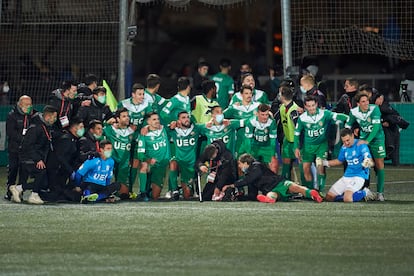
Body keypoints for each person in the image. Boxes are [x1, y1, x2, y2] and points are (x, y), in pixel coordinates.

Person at [294, 96, 348, 193]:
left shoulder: (324, 114)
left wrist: (349, 118)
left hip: (321, 146)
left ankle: (321, 191)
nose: (311, 108)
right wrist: (296, 148)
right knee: (305, 169)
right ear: (305, 107)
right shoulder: (302, 118)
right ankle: (310, 192)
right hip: (308, 147)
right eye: (309, 106)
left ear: (317, 104)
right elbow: (297, 134)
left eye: (313, 105)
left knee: (320, 165)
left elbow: (337, 116)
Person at [221, 153, 322, 203]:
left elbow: (249, 180)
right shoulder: (250, 174)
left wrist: (232, 185)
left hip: (278, 183)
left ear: (246, 163)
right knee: (279, 192)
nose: (239, 166)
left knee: (294, 187)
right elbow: (252, 195)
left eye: (240, 164)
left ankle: (312, 194)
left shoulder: (256, 166)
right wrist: (239, 197)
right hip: (274, 187)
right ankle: (269, 199)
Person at [9, 105, 58, 204]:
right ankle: (31, 193)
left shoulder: (44, 126)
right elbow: (28, 145)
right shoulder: (36, 127)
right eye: (54, 117)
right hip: (28, 157)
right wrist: (37, 159)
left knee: (43, 179)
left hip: (33, 156)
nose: (55, 119)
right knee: (42, 172)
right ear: (48, 116)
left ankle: (20, 190)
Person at [345, 92, 386, 201]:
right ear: (358, 103)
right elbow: (347, 126)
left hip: (377, 139)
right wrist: (348, 138)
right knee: (363, 164)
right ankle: (364, 190)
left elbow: (376, 127)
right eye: (363, 101)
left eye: (367, 101)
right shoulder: (353, 112)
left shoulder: (374, 109)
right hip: (363, 140)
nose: (366, 103)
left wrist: (367, 141)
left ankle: (380, 193)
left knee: (379, 164)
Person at [319, 128, 376, 202]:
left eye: (348, 140)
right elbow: (339, 160)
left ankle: (365, 192)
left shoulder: (361, 145)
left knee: (347, 199)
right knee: (329, 197)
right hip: (347, 176)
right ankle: (347, 195)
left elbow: (370, 161)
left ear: (352, 135)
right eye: (344, 141)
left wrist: (367, 162)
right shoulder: (344, 147)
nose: (346, 143)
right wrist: (324, 163)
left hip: (358, 176)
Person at [45, 117, 85, 202]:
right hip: (56, 171)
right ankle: (22, 187)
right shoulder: (66, 139)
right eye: (81, 127)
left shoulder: (73, 139)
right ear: (74, 128)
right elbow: (60, 157)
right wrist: (70, 170)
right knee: (54, 194)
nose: (83, 129)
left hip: (62, 172)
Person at [4, 95, 35, 200]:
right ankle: (9, 192)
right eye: (27, 104)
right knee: (13, 170)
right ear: (20, 104)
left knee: (24, 171)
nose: (29, 106)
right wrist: (24, 139)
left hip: (26, 150)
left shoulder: (33, 115)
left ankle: (20, 192)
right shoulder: (12, 115)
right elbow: (11, 133)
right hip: (14, 149)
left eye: (30, 104)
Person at [167, 111, 203, 199]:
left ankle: (183, 188)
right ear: (178, 120)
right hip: (179, 161)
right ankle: (174, 189)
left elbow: (207, 127)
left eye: (187, 117)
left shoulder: (196, 129)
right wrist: (170, 124)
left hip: (190, 164)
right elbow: (160, 128)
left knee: (187, 195)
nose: (186, 119)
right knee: (173, 163)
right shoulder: (173, 131)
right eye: (183, 117)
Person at [137, 112, 171, 200]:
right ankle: (142, 192)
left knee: (155, 196)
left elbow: (173, 124)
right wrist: (149, 160)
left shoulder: (164, 129)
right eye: (154, 119)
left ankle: (148, 187)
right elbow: (140, 154)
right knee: (144, 165)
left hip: (162, 165)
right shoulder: (144, 135)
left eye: (158, 119)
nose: (157, 121)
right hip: (151, 164)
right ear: (148, 121)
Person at [103, 108, 135, 199]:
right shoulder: (110, 129)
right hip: (112, 160)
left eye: (127, 116)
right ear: (117, 119)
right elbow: (97, 131)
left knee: (124, 195)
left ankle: (119, 192)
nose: (127, 118)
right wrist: (105, 123)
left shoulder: (131, 132)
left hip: (124, 163)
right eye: (124, 116)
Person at [224, 85, 260, 157]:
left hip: (254, 141)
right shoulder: (235, 107)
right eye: (246, 93)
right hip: (239, 141)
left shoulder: (258, 106)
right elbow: (221, 116)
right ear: (241, 95)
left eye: (250, 93)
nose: (249, 95)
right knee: (239, 163)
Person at [242, 103, 278, 173]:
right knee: (247, 166)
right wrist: (249, 154)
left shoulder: (272, 123)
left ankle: (272, 182)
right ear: (257, 114)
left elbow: (273, 141)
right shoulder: (251, 122)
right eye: (263, 115)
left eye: (267, 114)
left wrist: (272, 155)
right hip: (253, 146)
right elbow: (248, 141)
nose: (265, 117)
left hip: (267, 147)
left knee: (274, 165)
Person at [278, 86, 301, 181]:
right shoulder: (282, 107)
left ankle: (309, 189)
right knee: (286, 167)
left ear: (282, 96)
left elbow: (299, 129)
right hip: (287, 140)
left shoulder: (294, 111)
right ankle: (286, 188)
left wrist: (299, 145)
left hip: (296, 142)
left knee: (304, 167)